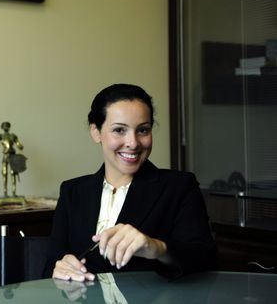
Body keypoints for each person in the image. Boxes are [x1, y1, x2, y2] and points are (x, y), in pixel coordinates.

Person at [44, 84, 217, 281]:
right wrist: (60, 268)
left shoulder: (179, 186)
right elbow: (49, 267)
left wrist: (156, 248)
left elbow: (206, 260)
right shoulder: (72, 192)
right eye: (119, 130)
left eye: (143, 130)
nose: (133, 143)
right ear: (96, 132)